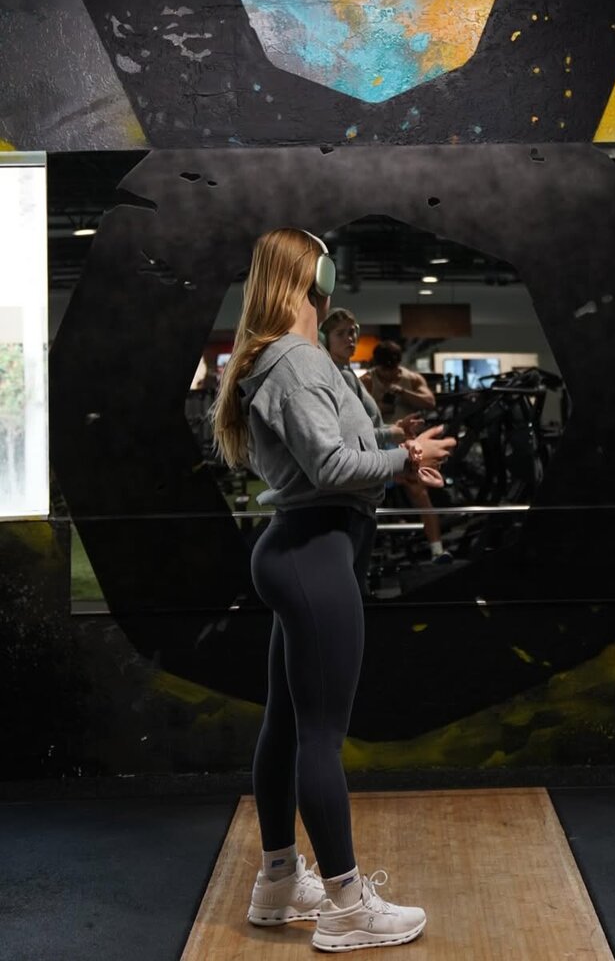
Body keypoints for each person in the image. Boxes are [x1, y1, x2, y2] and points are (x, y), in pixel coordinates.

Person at [210, 228, 454, 952]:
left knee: (288, 726)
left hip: (309, 548)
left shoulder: (297, 358)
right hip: (313, 551)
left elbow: (344, 448)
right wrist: (403, 457)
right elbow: (328, 466)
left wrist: (395, 450)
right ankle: (347, 905)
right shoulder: (292, 360)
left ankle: (279, 882)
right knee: (320, 736)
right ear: (315, 274)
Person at [362, 341, 452, 563]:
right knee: (365, 498)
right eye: (385, 370)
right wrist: (380, 406)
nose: (390, 374)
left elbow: (430, 401)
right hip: (378, 443)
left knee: (420, 493)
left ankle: (437, 550)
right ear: (377, 365)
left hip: (407, 444)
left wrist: (402, 393)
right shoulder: (366, 381)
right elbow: (355, 414)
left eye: (393, 370)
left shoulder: (411, 379)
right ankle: (362, 555)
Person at [319, 308, 425, 449]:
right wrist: (390, 433)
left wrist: (395, 427)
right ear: (325, 340)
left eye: (351, 332)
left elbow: (368, 426)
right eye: (340, 334)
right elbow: (350, 435)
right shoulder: (340, 376)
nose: (349, 338)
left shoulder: (347, 373)